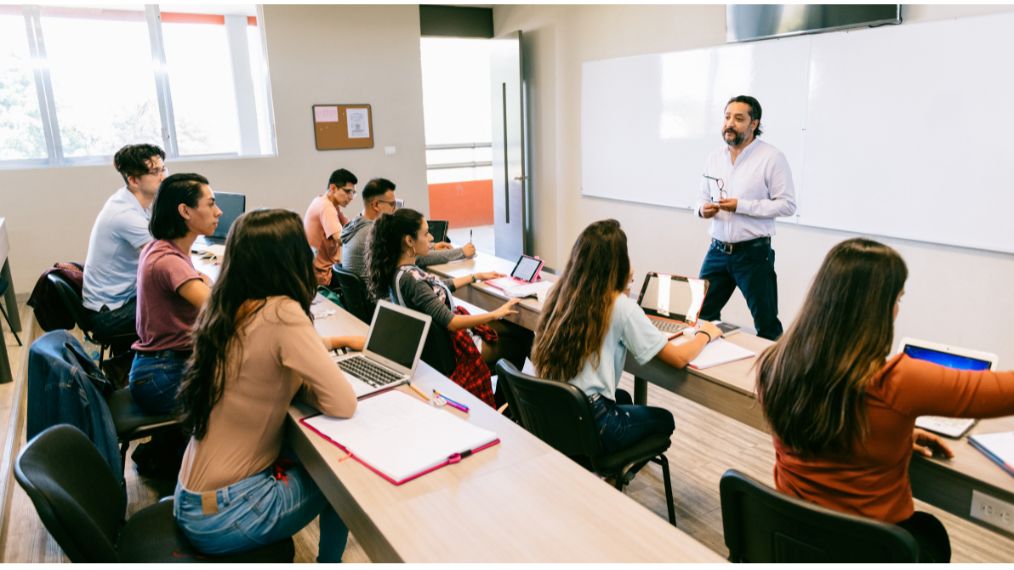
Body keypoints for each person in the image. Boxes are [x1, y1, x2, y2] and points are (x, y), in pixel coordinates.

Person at [756, 237, 1014, 563]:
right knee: (929, 532)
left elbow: (830, 422)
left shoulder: (773, 364)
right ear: (878, 307)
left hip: (794, 540)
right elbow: (1005, 392)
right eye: (898, 298)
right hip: (869, 551)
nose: (897, 309)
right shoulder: (899, 381)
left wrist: (895, 434)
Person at [174, 209, 364, 562]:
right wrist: (310, 386)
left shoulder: (225, 307)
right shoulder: (282, 312)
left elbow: (264, 357)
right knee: (341, 477)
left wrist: (325, 355)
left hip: (192, 499)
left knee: (305, 451)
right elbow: (343, 404)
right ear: (290, 258)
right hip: (228, 514)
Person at [531, 219, 722, 453]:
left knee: (623, 398)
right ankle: (611, 475)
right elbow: (679, 359)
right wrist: (705, 334)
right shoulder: (619, 306)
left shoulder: (560, 292)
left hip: (556, 411)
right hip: (593, 420)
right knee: (664, 420)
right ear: (618, 263)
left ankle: (609, 468)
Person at [365, 208, 529, 408]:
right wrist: (496, 312)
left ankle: (503, 401)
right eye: (426, 234)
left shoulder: (399, 271)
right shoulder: (412, 280)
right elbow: (452, 322)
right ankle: (504, 405)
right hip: (453, 349)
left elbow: (437, 291)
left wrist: (476, 277)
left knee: (514, 329)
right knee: (522, 339)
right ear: (409, 241)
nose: (431, 238)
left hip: (437, 346)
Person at [694, 95, 796, 340]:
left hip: (753, 255)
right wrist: (701, 209)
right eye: (727, 117)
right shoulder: (714, 157)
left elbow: (787, 205)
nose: (730, 123)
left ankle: (773, 376)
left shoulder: (771, 157)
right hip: (717, 251)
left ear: (754, 124)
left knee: (767, 324)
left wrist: (742, 206)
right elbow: (699, 198)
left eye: (739, 119)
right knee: (699, 315)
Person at [129, 173, 220, 416]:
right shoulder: (169, 261)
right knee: (253, 391)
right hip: (163, 375)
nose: (218, 212)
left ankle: (165, 449)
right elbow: (219, 310)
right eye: (211, 204)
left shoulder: (162, 247)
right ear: (185, 211)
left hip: (157, 368)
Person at [82, 143, 167, 343]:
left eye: (163, 169)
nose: (163, 176)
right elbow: (163, 259)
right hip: (110, 314)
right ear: (133, 180)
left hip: (123, 297)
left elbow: (163, 241)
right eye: (155, 172)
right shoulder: (125, 214)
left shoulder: (137, 202)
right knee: (183, 306)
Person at [340, 177, 476, 280]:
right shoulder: (373, 234)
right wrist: (461, 252)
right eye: (392, 204)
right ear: (376, 205)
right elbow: (415, 257)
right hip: (381, 303)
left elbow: (407, 250)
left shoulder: (356, 224)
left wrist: (432, 246)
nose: (395, 210)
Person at [304, 168, 357, 288]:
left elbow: (349, 226)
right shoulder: (326, 207)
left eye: (353, 193)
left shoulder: (325, 201)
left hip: (316, 271)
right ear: (333, 188)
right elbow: (341, 239)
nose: (351, 197)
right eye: (348, 191)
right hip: (323, 276)